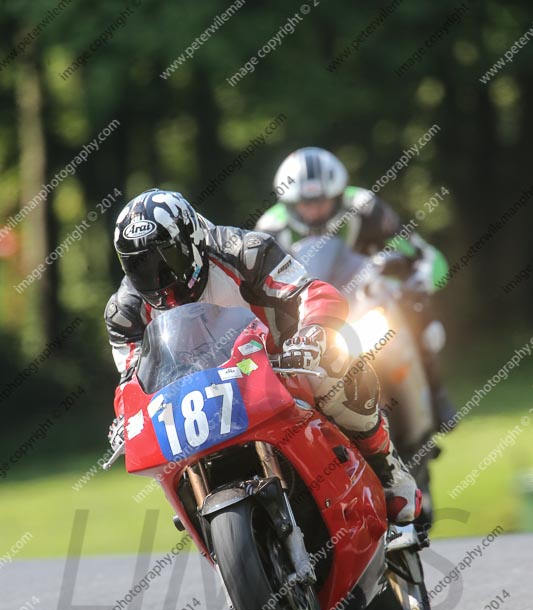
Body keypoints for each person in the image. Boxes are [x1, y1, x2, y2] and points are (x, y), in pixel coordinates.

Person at [105, 188, 421, 524]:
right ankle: (197, 504)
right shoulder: (125, 313)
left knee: (339, 362)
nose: (159, 279)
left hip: (281, 360)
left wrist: (313, 332)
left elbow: (309, 291)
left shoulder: (244, 251)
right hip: (199, 393)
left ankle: (386, 465)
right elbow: (131, 377)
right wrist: (127, 415)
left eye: (168, 259)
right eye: (140, 267)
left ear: (193, 240)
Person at [256, 146, 455, 428]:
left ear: (337, 197)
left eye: (321, 201)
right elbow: (257, 287)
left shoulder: (366, 207)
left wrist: (414, 279)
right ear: (289, 203)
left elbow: (423, 255)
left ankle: (437, 395)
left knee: (419, 313)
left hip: (368, 302)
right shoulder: (270, 228)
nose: (313, 211)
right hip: (310, 316)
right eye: (305, 203)